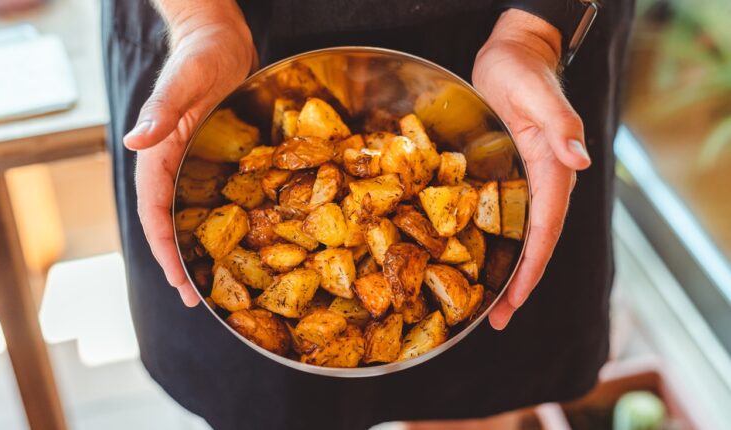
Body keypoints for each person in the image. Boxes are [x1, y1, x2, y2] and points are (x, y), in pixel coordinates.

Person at [102, 1, 634, 428]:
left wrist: (538, 30)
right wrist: (199, 17)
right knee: (269, 402)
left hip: (508, 38)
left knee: (483, 384)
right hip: (221, 40)